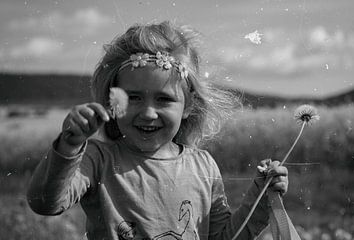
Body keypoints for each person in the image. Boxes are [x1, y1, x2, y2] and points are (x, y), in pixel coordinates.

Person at [27, 21, 288, 240]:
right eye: (134, 98)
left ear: (189, 106)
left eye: (164, 99)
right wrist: (69, 146)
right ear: (112, 101)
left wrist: (262, 198)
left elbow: (225, 237)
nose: (148, 112)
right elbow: (46, 203)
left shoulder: (203, 166)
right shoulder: (98, 159)